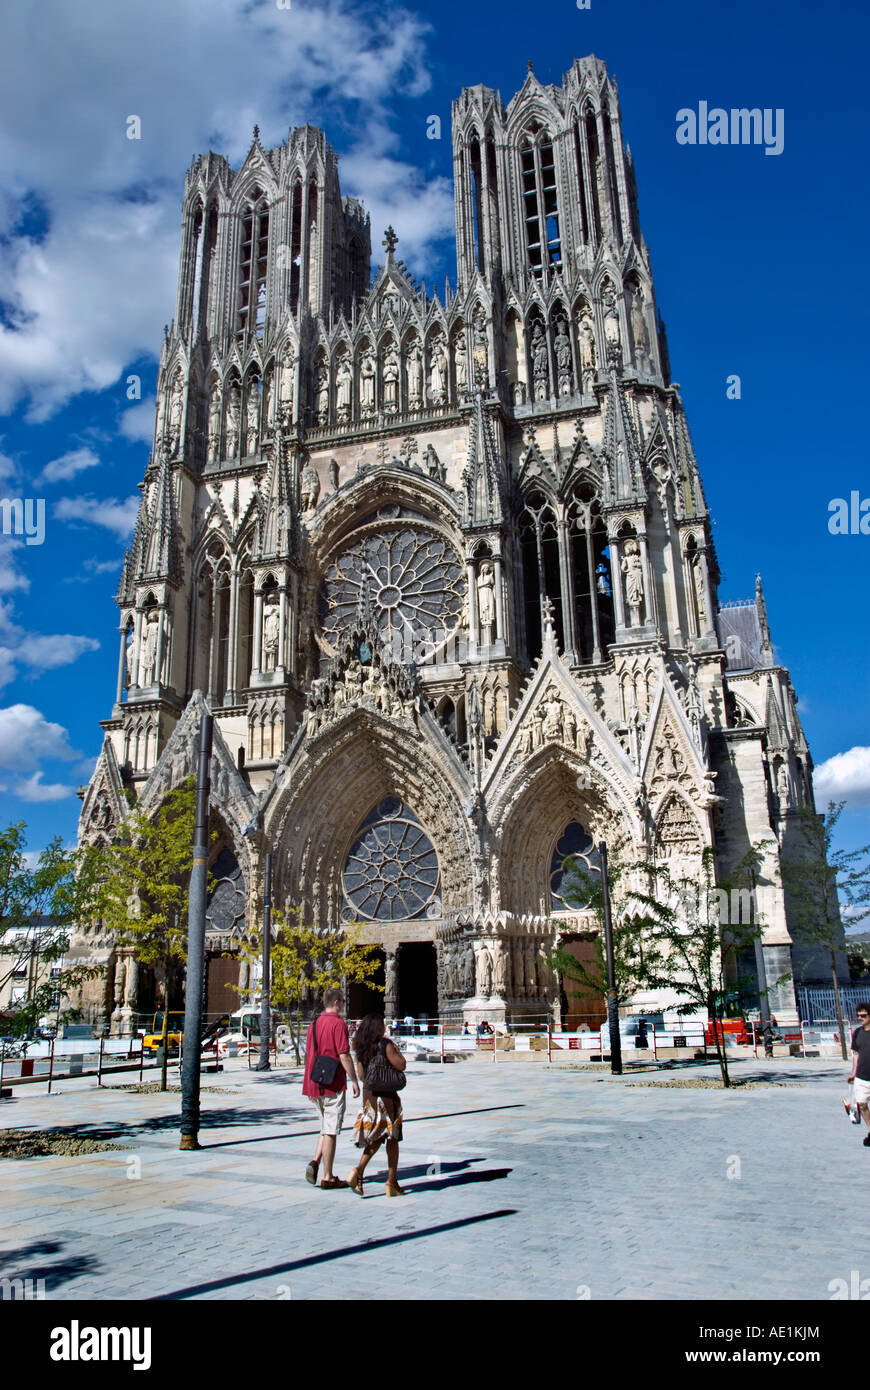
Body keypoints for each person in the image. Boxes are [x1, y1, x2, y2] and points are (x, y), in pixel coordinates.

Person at [302, 988, 360, 1189]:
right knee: (331, 1131)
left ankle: (315, 1161)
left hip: (315, 1083)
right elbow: (344, 1054)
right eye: (342, 1001)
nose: (344, 1004)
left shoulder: (314, 1024)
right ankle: (327, 1177)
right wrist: (354, 1080)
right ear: (336, 1002)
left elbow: (309, 1054)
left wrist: (309, 1084)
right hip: (332, 1083)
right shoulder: (338, 1024)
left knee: (325, 1127)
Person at [347, 1015, 407, 1197]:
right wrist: (397, 1052)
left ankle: (390, 1180)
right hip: (386, 1098)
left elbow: (362, 1075)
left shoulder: (361, 1048)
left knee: (383, 1136)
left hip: (370, 1098)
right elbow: (401, 1065)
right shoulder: (385, 1045)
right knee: (388, 1137)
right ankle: (365, 1172)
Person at [847, 1001, 870, 1147]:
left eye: (864, 1015)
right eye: (858, 1016)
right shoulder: (857, 1033)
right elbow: (855, 1055)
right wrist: (853, 1074)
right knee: (861, 1105)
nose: (860, 1018)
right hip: (861, 1077)